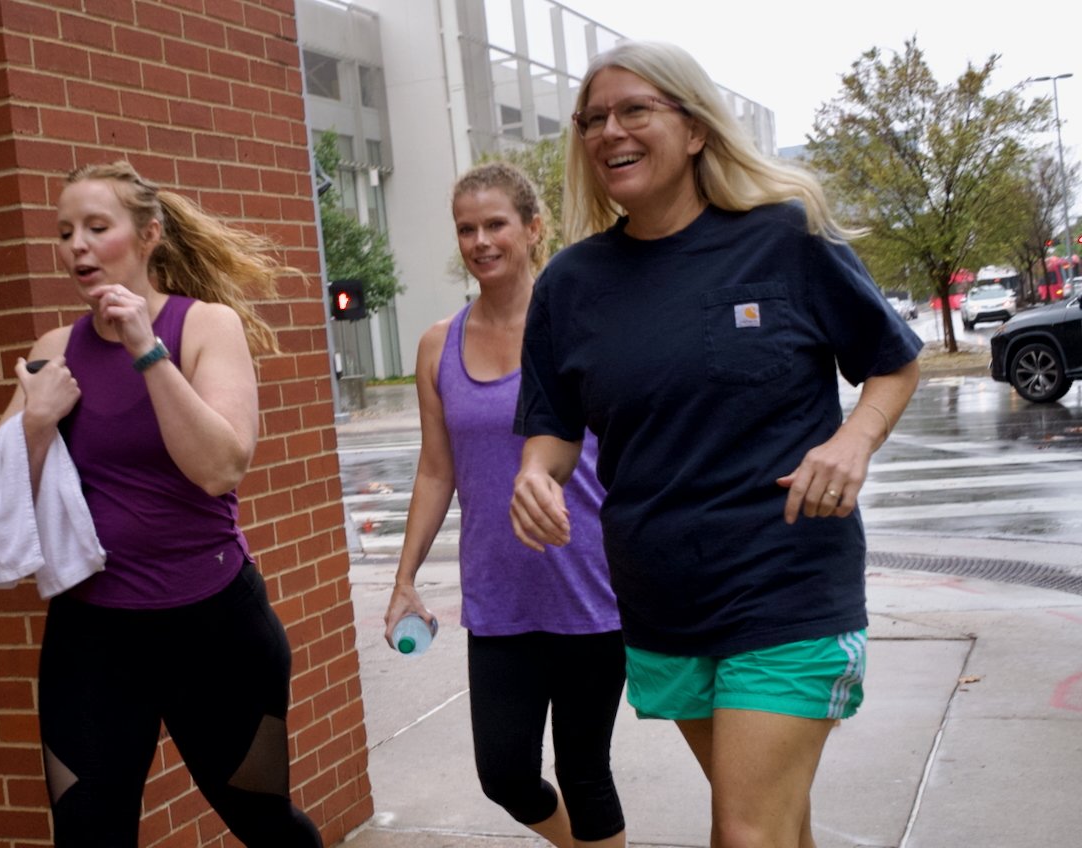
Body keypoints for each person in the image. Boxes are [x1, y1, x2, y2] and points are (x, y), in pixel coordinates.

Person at [509, 42, 923, 848]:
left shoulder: (786, 236)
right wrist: (535, 474)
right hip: (662, 598)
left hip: (787, 583)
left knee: (743, 832)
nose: (609, 131)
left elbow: (893, 363)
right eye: (593, 118)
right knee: (773, 825)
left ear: (695, 129)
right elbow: (553, 426)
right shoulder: (571, 283)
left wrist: (853, 442)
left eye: (634, 110)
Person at [0, 161, 323, 847]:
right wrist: (34, 421)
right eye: (64, 233)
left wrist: (148, 350)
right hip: (91, 638)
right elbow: (1, 500)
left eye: (95, 227)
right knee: (86, 837)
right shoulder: (54, 352)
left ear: (147, 236)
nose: (76, 246)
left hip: (214, 629)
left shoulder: (206, 327)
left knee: (266, 827)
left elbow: (219, 466)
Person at [384, 162, 627, 848]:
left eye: (496, 224)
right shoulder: (440, 344)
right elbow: (437, 470)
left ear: (532, 228)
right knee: (505, 773)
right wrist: (405, 578)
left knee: (584, 769)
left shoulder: (582, 329)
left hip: (588, 584)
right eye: (467, 228)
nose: (481, 240)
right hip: (498, 594)